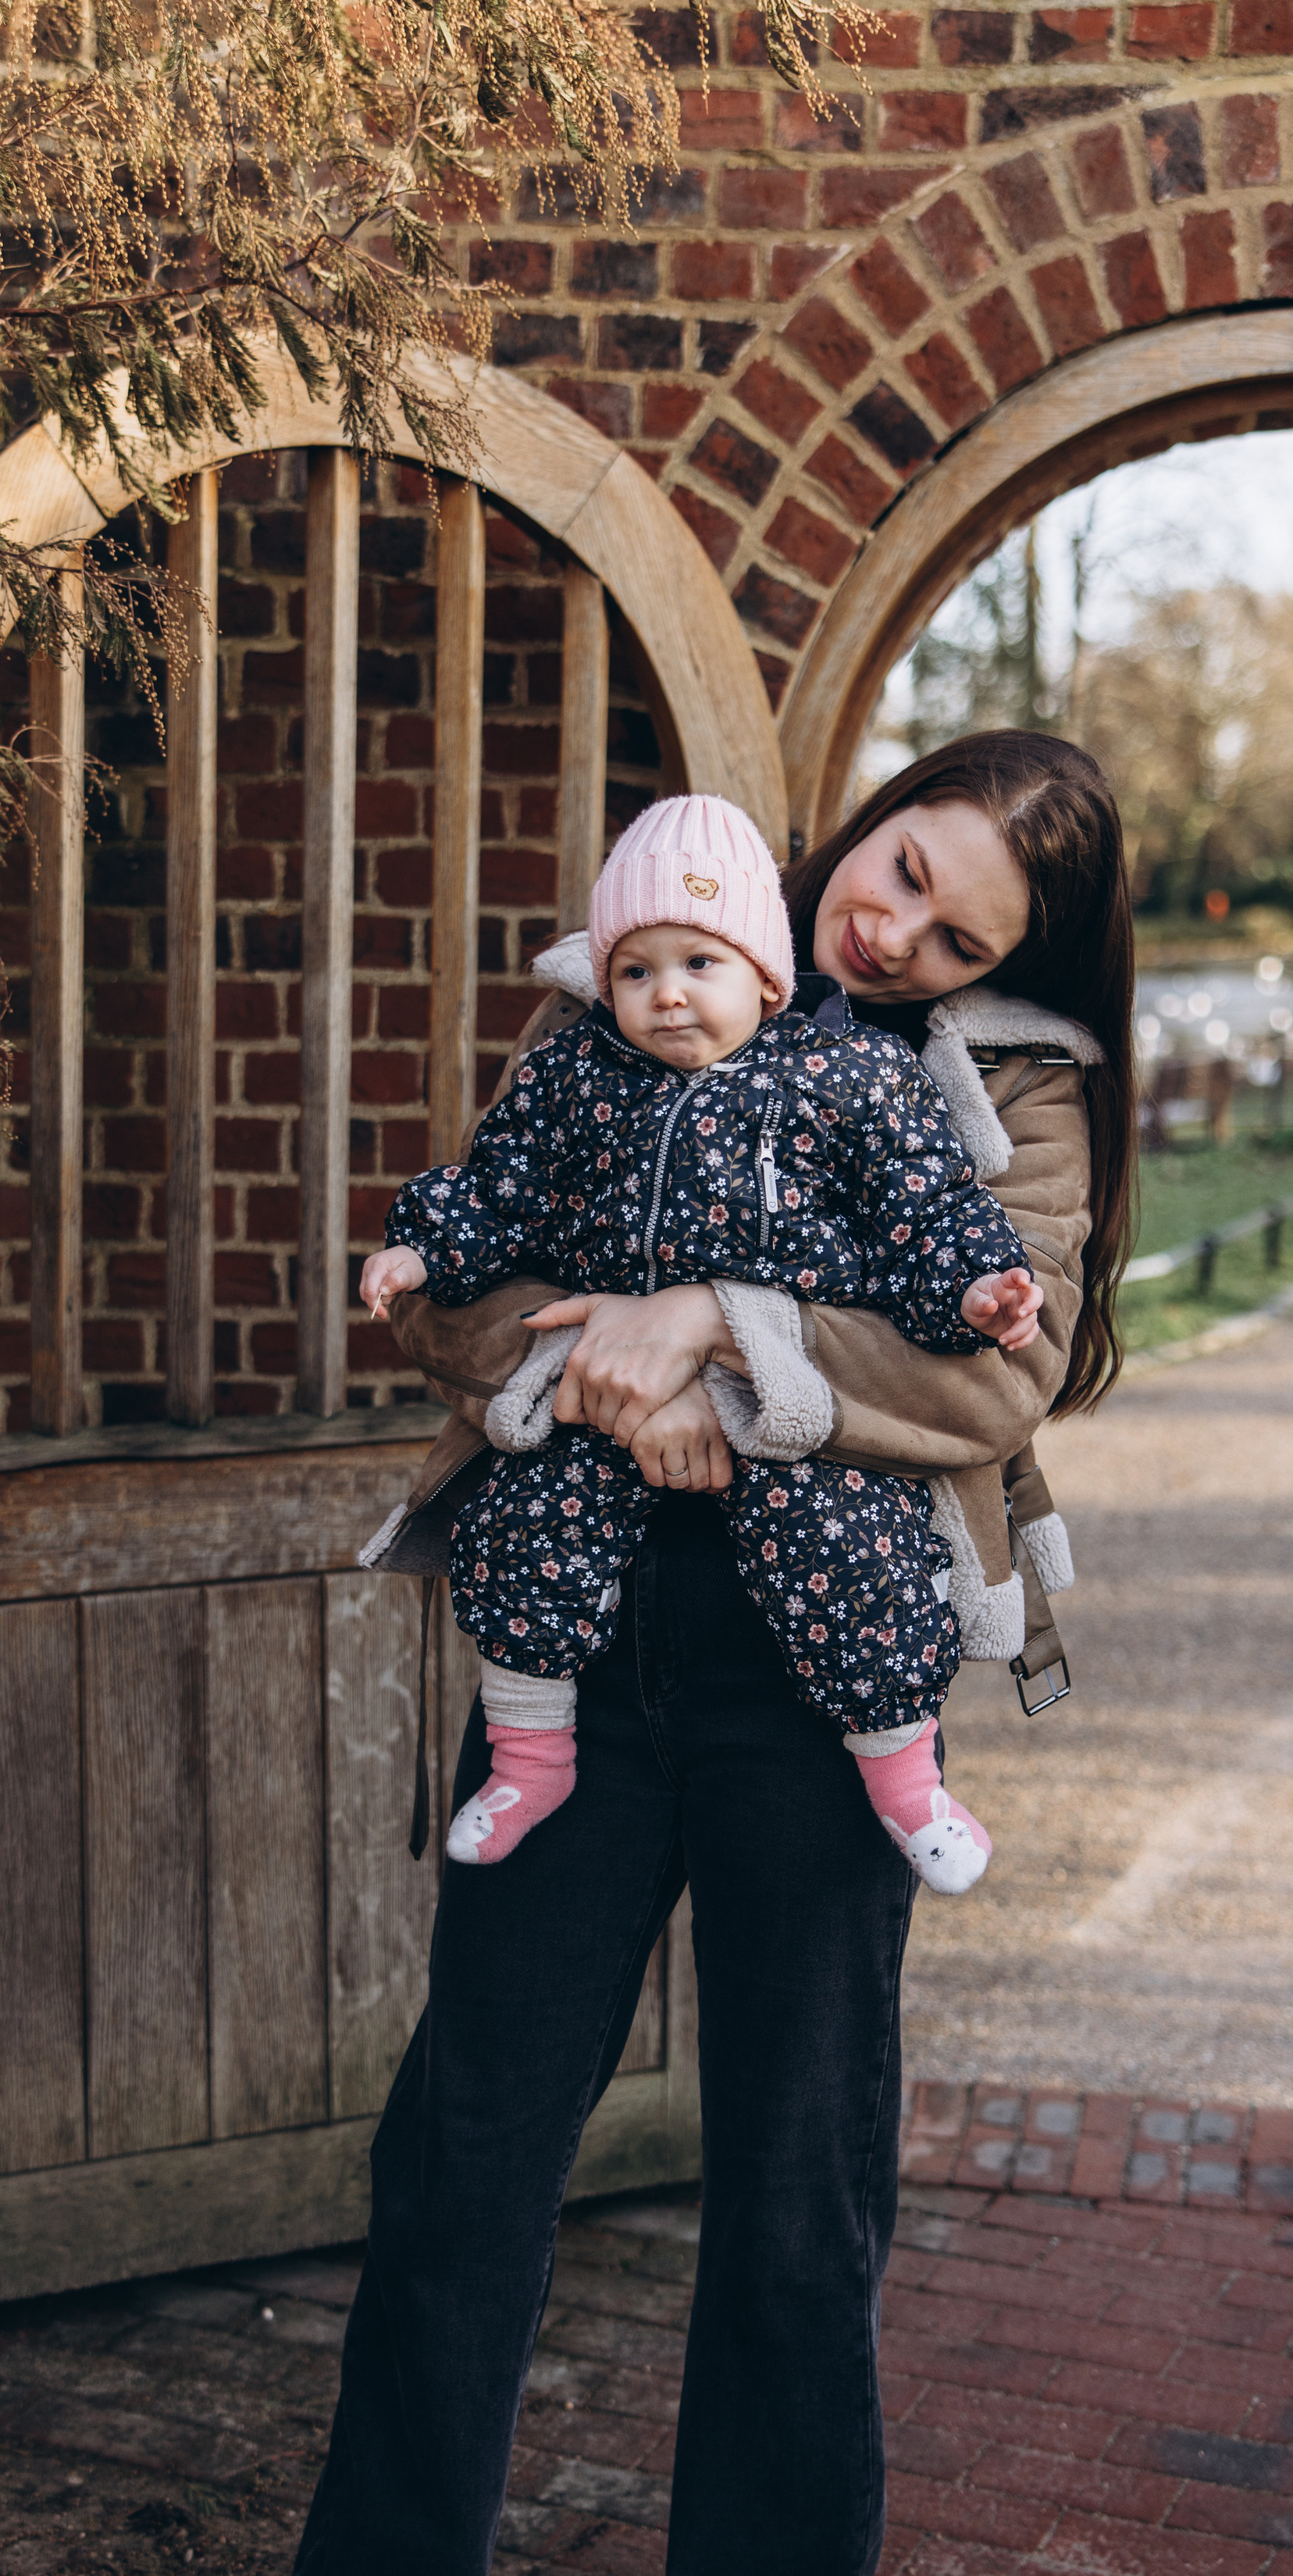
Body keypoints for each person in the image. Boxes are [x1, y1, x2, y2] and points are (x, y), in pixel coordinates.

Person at [271, 731, 1135, 2576]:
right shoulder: (643, 966)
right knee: (472, 2135)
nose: (899, 927)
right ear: (877, 808)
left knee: (797, 2162)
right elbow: (465, 1288)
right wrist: (595, 1354)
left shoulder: (1006, 1092)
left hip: (816, 1669)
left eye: (956, 932)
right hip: (585, 1632)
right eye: (907, 868)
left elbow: (1002, 1363)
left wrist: (717, 1334)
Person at [359, 793, 1042, 1890]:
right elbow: (499, 1189)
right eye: (636, 970)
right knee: (526, 1531)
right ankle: (529, 1756)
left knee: (856, 1566)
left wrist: (976, 1291)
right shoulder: (575, 1077)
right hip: (601, 1419)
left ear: (766, 979)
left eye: (699, 964)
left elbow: (927, 1212)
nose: (666, 992)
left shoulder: (850, 1079)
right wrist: (424, 1252)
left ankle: (907, 1781)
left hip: (781, 1421)